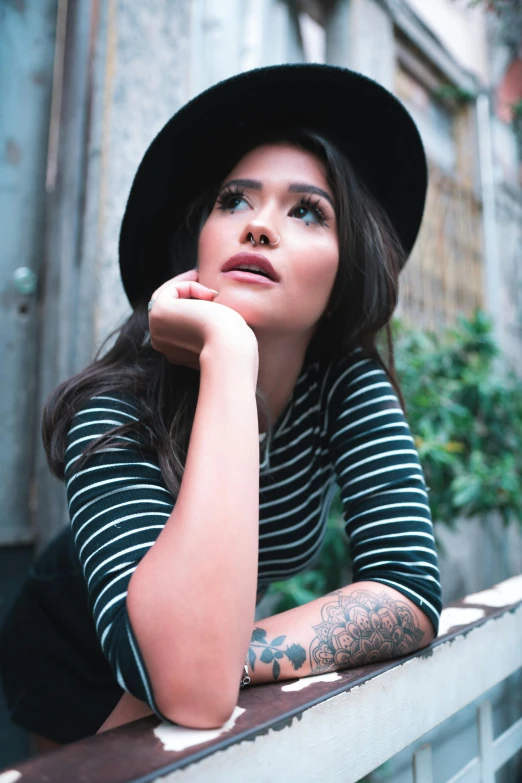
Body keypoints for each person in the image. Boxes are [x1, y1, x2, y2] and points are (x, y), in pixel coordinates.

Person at [0, 63, 442, 750]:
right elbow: (192, 686)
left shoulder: (344, 387)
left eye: (306, 210)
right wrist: (229, 354)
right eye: (234, 201)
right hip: (73, 646)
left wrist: (219, 653)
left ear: (347, 262)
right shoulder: (117, 406)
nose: (260, 227)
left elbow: (409, 591)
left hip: (204, 645)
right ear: (194, 246)